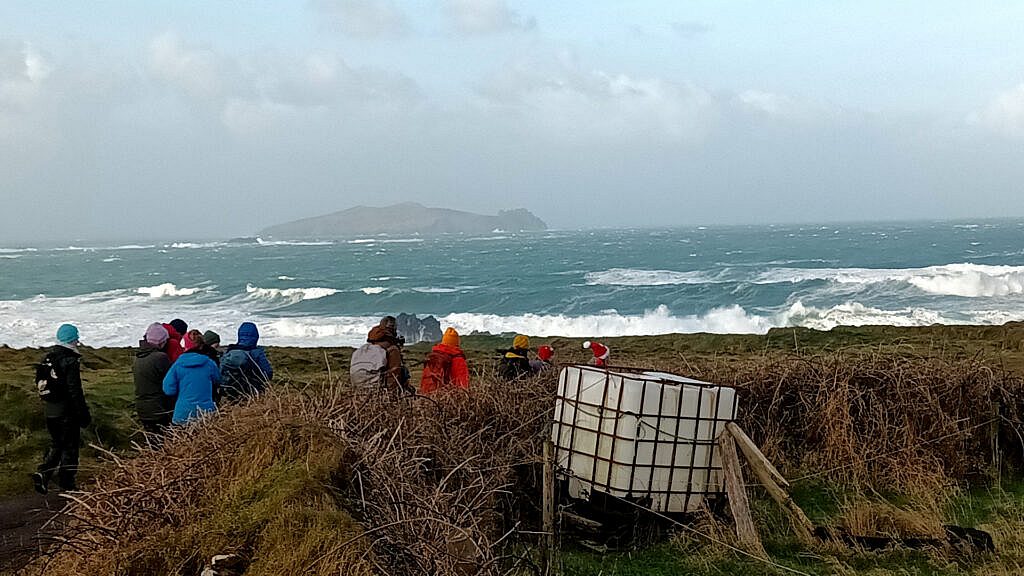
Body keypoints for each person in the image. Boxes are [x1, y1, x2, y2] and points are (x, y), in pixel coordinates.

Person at [32, 323, 91, 494]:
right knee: (70, 448)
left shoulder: (48, 358)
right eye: (76, 338)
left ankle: (43, 473)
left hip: (50, 410)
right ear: (71, 340)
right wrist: (83, 414)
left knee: (57, 444)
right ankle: (67, 483)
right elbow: (75, 391)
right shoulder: (70, 360)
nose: (78, 341)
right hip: (67, 412)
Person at [162, 330, 219, 425]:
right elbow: (217, 380)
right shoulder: (209, 363)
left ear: (185, 346)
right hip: (206, 414)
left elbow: (168, 390)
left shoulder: (177, 365)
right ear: (201, 346)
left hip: (183, 414)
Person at [134, 323, 174, 435]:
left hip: (142, 409)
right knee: (165, 440)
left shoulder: (138, 357)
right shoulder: (160, 357)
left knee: (153, 440)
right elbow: (171, 382)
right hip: (159, 409)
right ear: (162, 342)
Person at [219, 322, 273, 401]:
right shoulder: (257, 353)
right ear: (256, 336)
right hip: (251, 394)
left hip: (229, 393)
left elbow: (220, 372)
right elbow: (268, 374)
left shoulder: (229, 352)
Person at [366, 316, 412, 393]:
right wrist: (393, 394)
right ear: (392, 329)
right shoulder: (391, 349)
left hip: (359, 384)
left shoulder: (369, 346)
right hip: (375, 387)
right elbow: (394, 374)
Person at [419, 328, 470, 394]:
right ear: (457, 343)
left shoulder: (434, 356)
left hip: (427, 396)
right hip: (448, 397)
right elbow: (463, 384)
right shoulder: (458, 360)